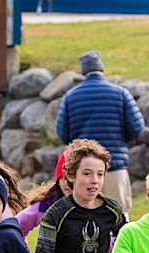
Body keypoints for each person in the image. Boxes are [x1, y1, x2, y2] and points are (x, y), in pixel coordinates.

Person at [57, 50, 144, 216]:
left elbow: (63, 134)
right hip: (115, 165)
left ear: (83, 71)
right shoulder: (120, 93)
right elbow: (137, 127)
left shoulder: (70, 97)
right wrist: (120, 141)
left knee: (84, 215)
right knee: (119, 215)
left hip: (83, 170)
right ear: (101, 69)